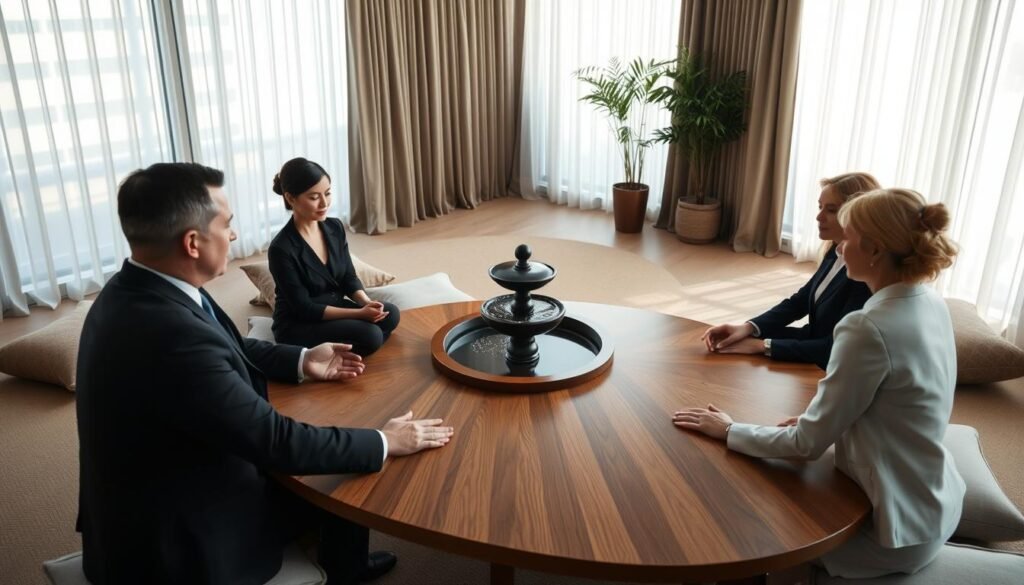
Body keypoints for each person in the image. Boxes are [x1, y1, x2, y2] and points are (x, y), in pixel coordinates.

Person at [76, 162, 453, 585]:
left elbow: (224, 345)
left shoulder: (134, 290)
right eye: (228, 224)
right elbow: (275, 441)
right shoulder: (171, 335)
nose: (234, 235)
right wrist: (386, 440)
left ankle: (344, 561)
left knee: (336, 446)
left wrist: (301, 358)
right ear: (193, 242)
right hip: (181, 545)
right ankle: (345, 572)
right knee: (347, 469)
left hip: (153, 493)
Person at [673, 188, 964, 579]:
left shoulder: (867, 327)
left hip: (892, 535)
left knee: (735, 531)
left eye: (848, 236)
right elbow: (894, 401)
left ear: (875, 250)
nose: (839, 246)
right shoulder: (929, 301)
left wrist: (729, 430)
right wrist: (819, 417)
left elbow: (805, 446)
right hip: (935, 503)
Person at [701, 172, 880, 369]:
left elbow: (834, 348)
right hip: (813, 341)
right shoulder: (835, 249)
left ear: (856, 215)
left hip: (829, 361)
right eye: (820, 207)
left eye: (831, 210)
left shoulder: (864, 274)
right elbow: (800, 301)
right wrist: (748, 328)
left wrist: (763, 346)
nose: (818, 217)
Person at [268, 158, 399, 356]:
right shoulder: (281, 249)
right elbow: (305, 308)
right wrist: (358, 314)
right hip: (300, 322)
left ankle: (354, 345)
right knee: (372, 335)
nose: (324, 203)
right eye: (314, 197)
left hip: (334, 307)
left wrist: (365, 303)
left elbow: (348, 276)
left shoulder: (335, 227)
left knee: (391, 313)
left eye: (327, 193)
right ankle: (351, 346)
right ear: (290, 198)